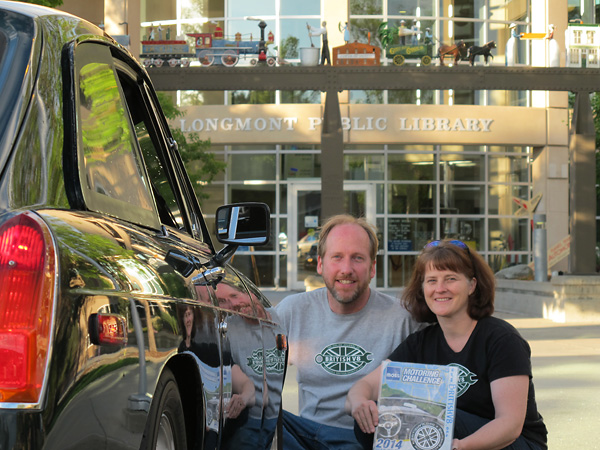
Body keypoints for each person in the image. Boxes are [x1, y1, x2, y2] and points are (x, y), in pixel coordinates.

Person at [346, 239, 548, 450]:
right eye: (432, 280)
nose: (440, 289)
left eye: (450, 279)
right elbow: (364, 387)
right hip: (451, 438)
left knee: (442, 421)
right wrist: (360, 402)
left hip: (513, 443)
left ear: (472, 285)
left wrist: (459, 446)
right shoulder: (421, 342)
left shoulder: (501, 339)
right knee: (376, 418)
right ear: (422, 288)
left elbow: (510, 426)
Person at [275, 214, 421, 449]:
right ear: (321, 264)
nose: (346, 269)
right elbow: (250, 357)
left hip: (371, 437)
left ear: (372, 267)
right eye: (337, 257)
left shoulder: (403, 318)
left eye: (357, 258)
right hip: (308, 435)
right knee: (260, 421)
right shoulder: (293, 311)